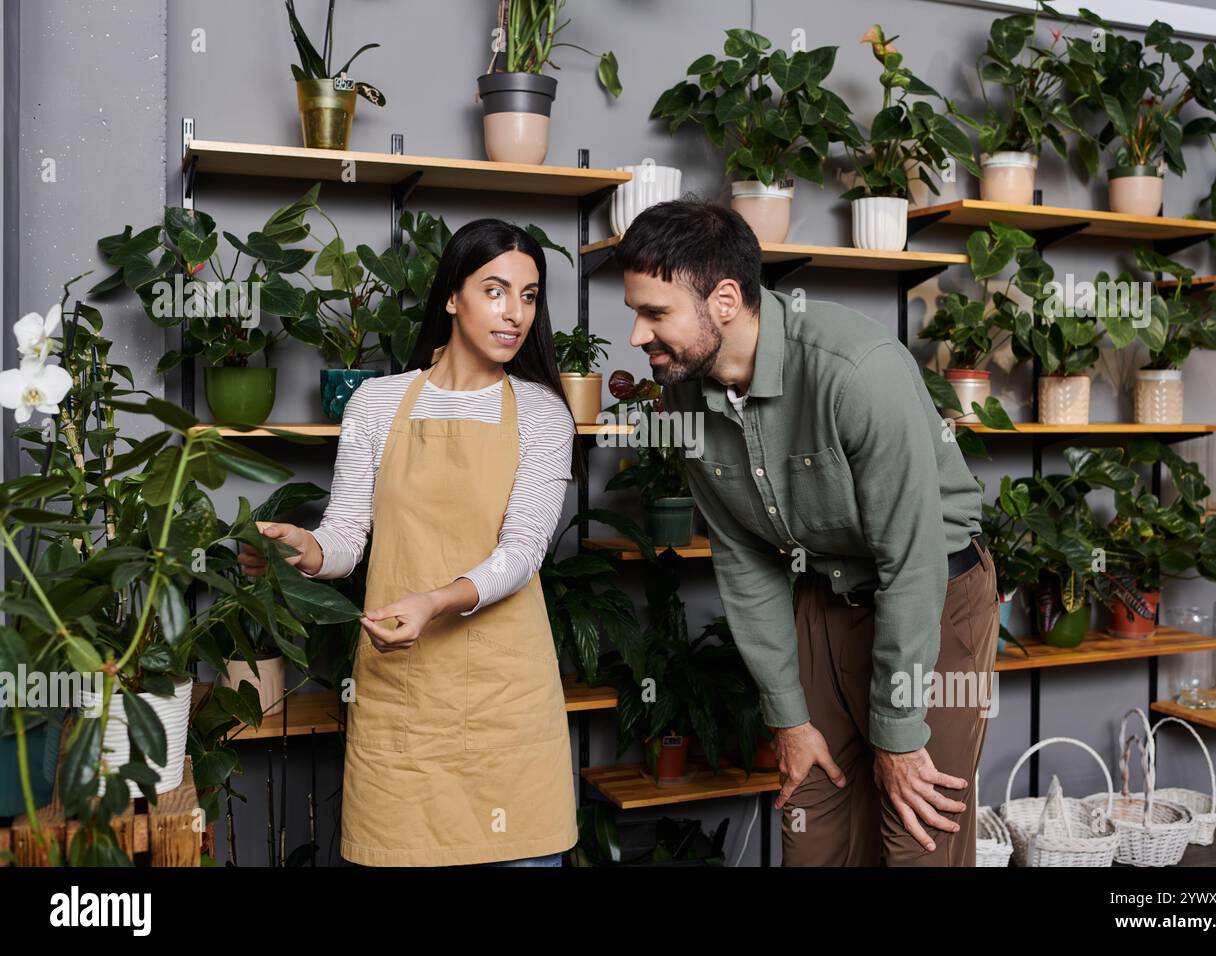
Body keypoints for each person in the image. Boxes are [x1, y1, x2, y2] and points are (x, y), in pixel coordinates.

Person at [614, 198, 1000, 866]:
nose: (636, 335)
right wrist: (788, 718)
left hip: (932, 598)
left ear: (726, 300)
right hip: (825, 600)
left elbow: (911, 563)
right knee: (809, 826)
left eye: (656, 313)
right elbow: (742, 559)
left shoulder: (857, 372)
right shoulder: (682, 391)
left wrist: (901, 736)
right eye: (635, 312)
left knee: (915, 839)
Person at [237, 218, 580, 867]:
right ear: (452, 295)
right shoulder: (376, 403)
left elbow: (522, 551)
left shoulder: (541, 412)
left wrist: (434, 601)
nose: (515, 313)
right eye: (496, 290)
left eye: (530, 296)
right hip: (403, 696)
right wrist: (300, 551)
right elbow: (345, 537)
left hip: (507, 699)